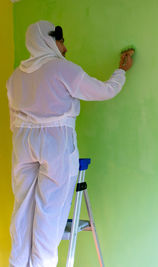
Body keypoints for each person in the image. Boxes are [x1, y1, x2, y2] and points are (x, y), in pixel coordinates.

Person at [6, 20, 133, 267]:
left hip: (22, 142)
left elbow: (14, 117)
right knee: (50, 211)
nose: (64, 46)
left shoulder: (15, 77)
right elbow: (104, 91)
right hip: (55, 142)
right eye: (61, 40)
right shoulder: (62, 70)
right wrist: (121, 70)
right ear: (48, 40)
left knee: (23, 210)